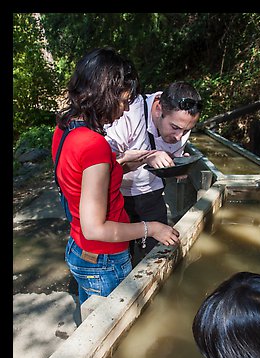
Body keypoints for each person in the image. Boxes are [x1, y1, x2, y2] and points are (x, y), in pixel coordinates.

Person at [52, 47, 180, 307]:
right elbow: (96, 227)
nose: (124, 110)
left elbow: (82, 181)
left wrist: (123, 164)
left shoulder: (64, 129)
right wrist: (152, 228)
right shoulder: (94, 145)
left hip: (79, 248)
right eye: (122, 101)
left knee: (92, 326)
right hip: (105, 260)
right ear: (104, 94)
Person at [104, 81, 202, 264]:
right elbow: (104, 164)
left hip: (152, 193)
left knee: (155, 256)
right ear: (158, 108)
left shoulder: (181, 121)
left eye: (187, 130)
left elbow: (172, 154)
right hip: (119, 196)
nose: (180, 136)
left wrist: (177, 166)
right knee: (120, 258)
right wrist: (146, 156)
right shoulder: (129, 114)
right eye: (175, 128)